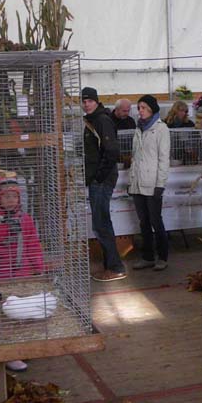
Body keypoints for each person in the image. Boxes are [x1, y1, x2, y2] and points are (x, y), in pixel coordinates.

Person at [0, 175, 45, 372]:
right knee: (4, 315)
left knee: (23, 312)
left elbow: (33, 244)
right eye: (6, 197)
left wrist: (38, 266)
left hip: (22, 273)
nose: (11, 200)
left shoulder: (25, 219)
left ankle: (23, 347)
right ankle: (9, 354)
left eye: (14, 196)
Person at [82, 87, 126, 281]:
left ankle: (115, 267)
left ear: (96, 101)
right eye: (84, 101)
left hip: (102, 180)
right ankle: (110, 266)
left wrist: (98, 177)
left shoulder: (102, 120)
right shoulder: (92, 120)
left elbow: (111, 152)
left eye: (90, 101)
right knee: (100, 223)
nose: (86, 104)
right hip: (97, 179)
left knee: (101, 224)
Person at [128, 95, 170, 272]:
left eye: (144, 107)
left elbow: (163, 159)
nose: (140, 111)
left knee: (155, 221)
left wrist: (160, 184)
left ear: (152, 109)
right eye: (139, 108)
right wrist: (132, 181)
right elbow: (135, 157)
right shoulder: (138, 129)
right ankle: (147, 257)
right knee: (143, 222)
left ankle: (163, 257)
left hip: (152, 184)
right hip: (138, 183)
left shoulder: (161, 129)